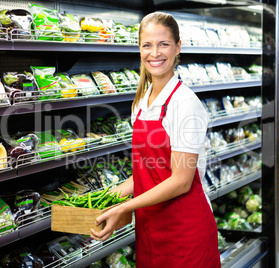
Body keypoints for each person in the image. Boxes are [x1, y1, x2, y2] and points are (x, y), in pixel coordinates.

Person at [90, 11, 220, 267]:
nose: (155, 53)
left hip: (185, 229)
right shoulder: (141, 102)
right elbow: (148, 172)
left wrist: (125, 208)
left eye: (164, 44)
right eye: (147, 45)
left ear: (177, 47)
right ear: (139, 49)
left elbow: (181, 181)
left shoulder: (185, 104)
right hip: (150, 228)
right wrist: (108, 197)